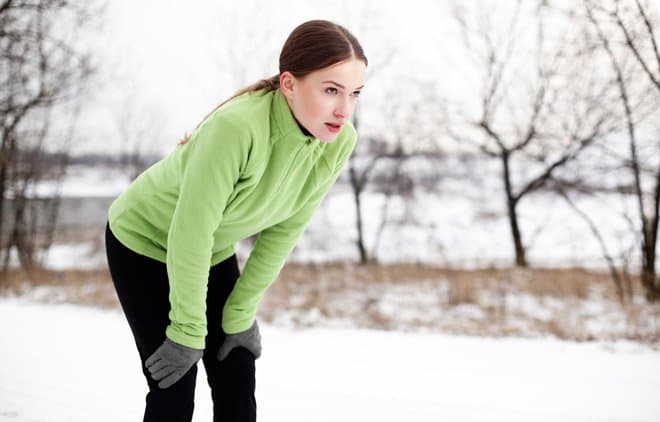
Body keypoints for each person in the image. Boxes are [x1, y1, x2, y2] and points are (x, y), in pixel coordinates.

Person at [104, 19, 367, 422]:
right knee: (175, 381)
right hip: (142, 241)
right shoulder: (236, 128)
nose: (344, 109)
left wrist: (240, 312)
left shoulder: (337, 142)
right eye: (331, 90)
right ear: (290, 84)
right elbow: (190, 231)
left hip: (208, 247)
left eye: (354, 93)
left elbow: (286, 229)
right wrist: (189, 330)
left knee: (237, 370)